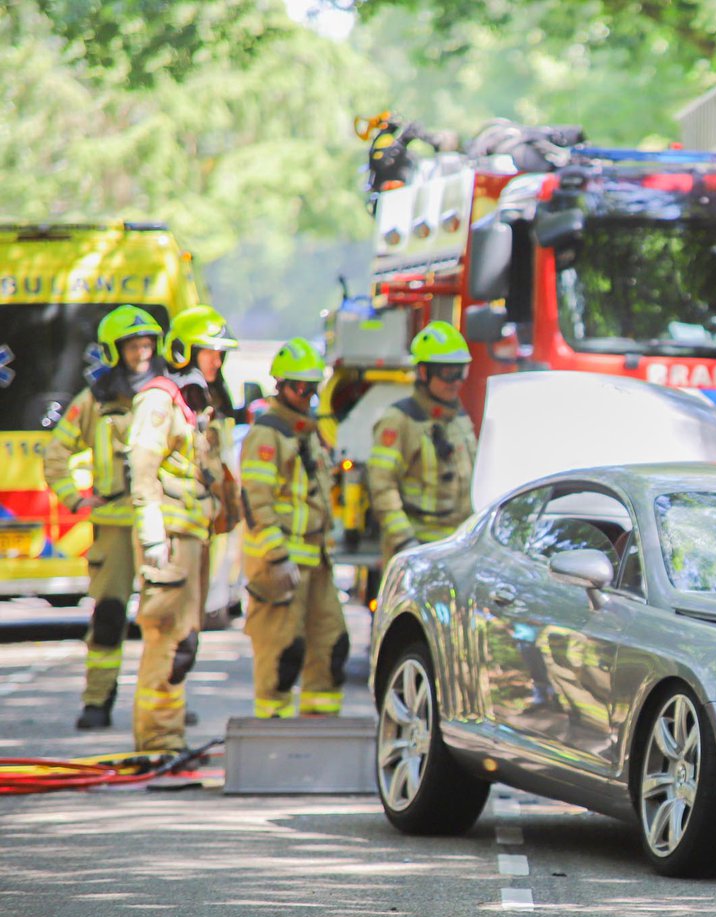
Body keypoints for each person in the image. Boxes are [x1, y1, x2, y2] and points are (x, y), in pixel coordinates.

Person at [43, 306, 163, 729]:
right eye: (133, 345)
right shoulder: (94, 401)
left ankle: (163, 705)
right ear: (116, 351)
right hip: (113, 527)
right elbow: (55, 453)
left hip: (159, 528)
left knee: (162, 619)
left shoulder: (166, 397)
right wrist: (76, 500)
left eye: (147, 344)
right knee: (110, 615)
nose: (142, 353)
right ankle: (98, 701)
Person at [127, 305, 237, 753]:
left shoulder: (194, 402)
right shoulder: (159, 399)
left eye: (220, 354)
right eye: (210, 352)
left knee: (184, 642)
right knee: (167, 639)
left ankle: (168, 742)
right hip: (170, 540)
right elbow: (143, 468)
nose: (217, 362)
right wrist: (152, 532)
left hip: (194, 536)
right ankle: (156, 745)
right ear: (183, 350)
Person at [240, 338, 347, 719]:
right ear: (280, 385)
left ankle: (320, 733)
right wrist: (279, 557)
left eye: (311, 388)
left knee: (332, 648)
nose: (305, 395)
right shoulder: (267, 434)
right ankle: (272, 737)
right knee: (281, 659)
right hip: (280, 566)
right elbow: (256, 502)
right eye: (298, 387)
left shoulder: (307, 432)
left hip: (316, 563)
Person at [368, 321, 478, 572]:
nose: (456, 381)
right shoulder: (399, 420)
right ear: (424, 372)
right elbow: (382, 486)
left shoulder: (459, 417)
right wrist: (404, 542)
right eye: (447, 372)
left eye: (461, 371)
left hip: (457, 549)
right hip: (416, 551)